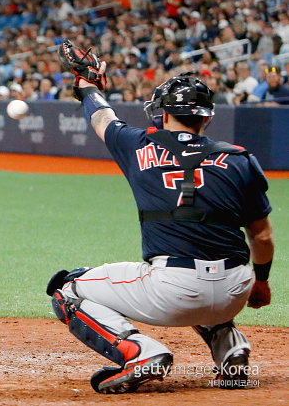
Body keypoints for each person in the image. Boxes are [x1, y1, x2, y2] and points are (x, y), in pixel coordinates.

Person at [48, 42, 274, 394]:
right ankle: (230, 348)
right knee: (213, 278)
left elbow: (102, 117)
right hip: (235, 289)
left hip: (173, 290)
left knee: (69, 290)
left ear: (164, 113)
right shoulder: (239, 159)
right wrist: (260, 283)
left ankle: (140, 352)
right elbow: (261, 237)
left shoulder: (138, 145)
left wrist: (88, 85)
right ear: (207, 116)